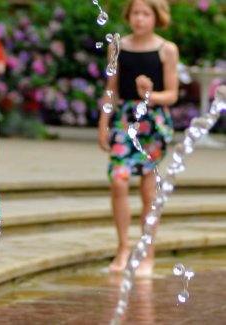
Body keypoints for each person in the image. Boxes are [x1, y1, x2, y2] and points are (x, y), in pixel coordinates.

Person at [98, 0, 179, 276]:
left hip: (153, 124)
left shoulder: (166, 50)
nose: (140, 18)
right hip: (124, 120)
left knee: (147, 192)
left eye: (146, 13)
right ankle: (123, 247)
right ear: (128, 15)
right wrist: (103, 122)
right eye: (135, 13)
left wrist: (149, 95)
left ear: (156, 17)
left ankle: (147, 252)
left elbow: (172, 94)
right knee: (118, 180)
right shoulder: (117, 47)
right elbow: (111, 89)